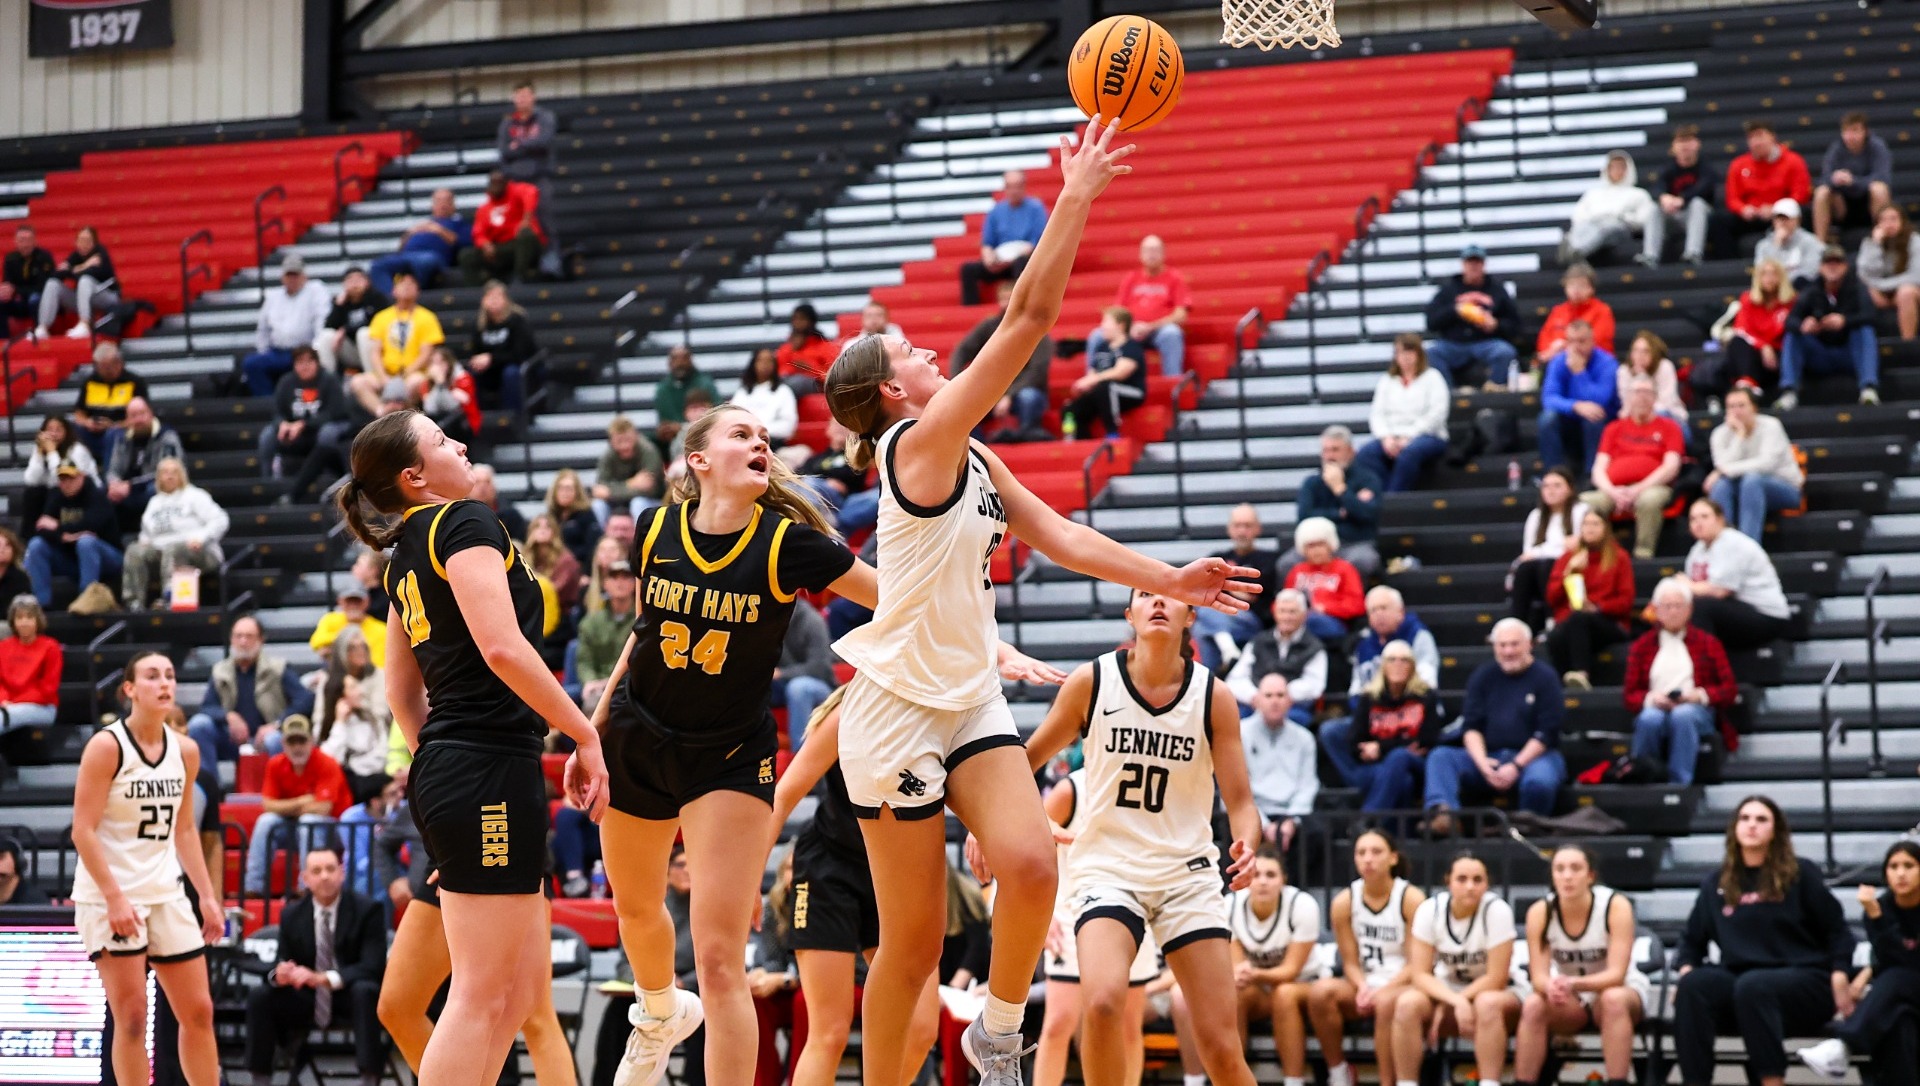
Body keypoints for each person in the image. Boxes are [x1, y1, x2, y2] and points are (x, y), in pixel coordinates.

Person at [821, 118, 1255, 1086]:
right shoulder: (919, 447)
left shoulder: (972, 453)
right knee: (915, 945)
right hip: (894, 712)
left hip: (966, 692)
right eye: (916, 352)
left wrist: (1170, 578)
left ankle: (998, 1036)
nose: (934, 350)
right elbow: (1023, 322)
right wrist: (1077, 194)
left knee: (1031, 866)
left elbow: (1065, 538)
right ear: (895, 390)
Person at [569, 404, 934, 1086]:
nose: (760, 442)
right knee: (636, 910)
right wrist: (589, 733)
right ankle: (656, 1013)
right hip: (637, 736)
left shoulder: (787, 542)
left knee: (718, 961)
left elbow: (894, 599)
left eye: (765, 437)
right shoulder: (655, 527)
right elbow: (640, 634)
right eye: (741, 434)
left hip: (729, 758)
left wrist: (981, 640)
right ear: (698, 461)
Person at [337, 407, 608, 1086]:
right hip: (485, 765)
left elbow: (402, 696)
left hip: (464, 764)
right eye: (441, 439)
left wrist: (435, 763)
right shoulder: (463, 521)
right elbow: (500, 646)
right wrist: (583, 731)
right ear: (416, 475)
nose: (460, 443)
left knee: (514, 999)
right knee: (484, 995)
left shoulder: (405, 553)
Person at [1022, 587, 1264, 1086]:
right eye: (1145, 594)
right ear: (1129, 613)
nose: (1158, 602)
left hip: (1187, 875)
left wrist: (1247, 844)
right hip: (1109, 868)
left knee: (1219, 1044)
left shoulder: (1213, 696)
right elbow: (1023, 764)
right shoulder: (1093, 681)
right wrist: (1024, 818)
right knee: (1105, 1003)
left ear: (1190, 616)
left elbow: (1241, 802)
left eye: (1171, 596)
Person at [68, 651, 224, 1086]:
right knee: (133, 1017)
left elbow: (186, 829)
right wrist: (115, 898)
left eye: (170, 675)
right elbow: (82, 831)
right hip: (110, 893)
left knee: (199, 1012)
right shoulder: (106, 745)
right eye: (152, 676)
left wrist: (208, 898)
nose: (164, 683)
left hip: (166, 892)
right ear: (130, 689)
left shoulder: (186, 751)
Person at [771, 690, 942, 1086]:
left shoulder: (943, 713)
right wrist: (746, 884)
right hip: (829, 871)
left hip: (897, 871)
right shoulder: (849, 713)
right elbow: (783, 797)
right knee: (829, 1032)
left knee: (920, 1031)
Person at [1674, 796, 1855, 1086]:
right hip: (1741, 981)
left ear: (1775, 830)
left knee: (1754, 985)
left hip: (1804, 979)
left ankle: (1772, 1081)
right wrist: (1685, 969)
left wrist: (1840, 973)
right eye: (1745, 819)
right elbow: (1690, 942)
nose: (1752, 826)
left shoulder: (1800, 873)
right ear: (1734, 828)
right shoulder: (1716, 882)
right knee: (1695, 985)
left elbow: (1838, 931)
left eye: (1761, 820)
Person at [1033, 765, 1160, 1086]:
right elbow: (1033, 849)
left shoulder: (1150, 782)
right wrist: (1042, 915)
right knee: (1059, 1022)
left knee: (1129, 1024)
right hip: (1072, 912)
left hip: (1134, 907)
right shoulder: (1071, 790)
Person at [241, 847, 388, 1086]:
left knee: (365, 991)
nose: (325, 876)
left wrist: (322, 978)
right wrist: (281, 974)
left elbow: (373, 966)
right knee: (261, 997)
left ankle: (370, 1078)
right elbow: (283, 959)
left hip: (348, 995)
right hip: (307, 997)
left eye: (331, 869)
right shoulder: (292, 914)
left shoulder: (368, 910)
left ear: (342, 873)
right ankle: (260, 1079)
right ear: (305, 879)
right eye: (317, 871)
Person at [1514, 845, 1650, 1086]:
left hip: (1620, 989)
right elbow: (1538, 977)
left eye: (1576, 869)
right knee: (1534, 1003)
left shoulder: (1615, 906)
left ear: (1590, 876)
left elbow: (1617, 975)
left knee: (1613, 999)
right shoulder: (1540, 912)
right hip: (1571, 996)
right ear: (1552, 876)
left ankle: (1618, 1081)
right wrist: (1551, 987)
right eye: (1560, 869)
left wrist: (1574, 983)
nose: (1567, 876)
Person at [1306, 829, 1423, 1086]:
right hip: (1365, 981)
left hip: (1404, 983)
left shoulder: (1411, 898)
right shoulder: (1344, 902)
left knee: (1385, 1002)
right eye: (1361, 853)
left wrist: (1383, 989)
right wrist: (1362, 986)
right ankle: (1339, 1073)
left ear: (1393, 858)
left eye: (1376, 852)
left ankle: (1386, 1081)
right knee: (1320, 993)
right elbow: (1349, 961)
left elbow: (1417, 964)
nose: (1368, 859)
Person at [1395, 852, 1524, 1086]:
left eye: (1478, 880)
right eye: (1461, 879)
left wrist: (1456, 1001)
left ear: (1487, 884)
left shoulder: (1497, 911)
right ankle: (1406, 1082)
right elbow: (1420, 973)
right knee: (1407, 1003)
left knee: (1487, 1003)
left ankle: (1489, 1082)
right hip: (1449, 991)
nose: (1470, 887)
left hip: (1499, 992)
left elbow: (1497, 978)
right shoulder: (1429, 910)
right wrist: (1454, 1000)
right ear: (1448, 882)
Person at [1424, 618, 1566, 826]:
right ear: (1494, 647)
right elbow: (1471, 727)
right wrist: (1482, 764)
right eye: (1502, 645)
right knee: (1441, 757)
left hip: (1535, 757)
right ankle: (1445, 816)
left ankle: (1528, 827)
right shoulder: (1482, 677)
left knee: (1539, 782)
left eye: (1514, 644)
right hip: (1490, 755)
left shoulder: (1546, 678)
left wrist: (1516, 765)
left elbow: (1547, 732)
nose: (1508, 651)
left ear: (1529, 645)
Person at [1798, 840, 1920, 1078]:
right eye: (1893, 867)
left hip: (1906, 982)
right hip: (1903, 994)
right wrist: (1876, 917)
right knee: (1898, 1023)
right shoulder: (1879, 906)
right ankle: (1841, 1050)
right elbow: (1889, 957)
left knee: (1897, 978)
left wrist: (1866, 975)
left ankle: (1844, 1045)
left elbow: (1909, 963)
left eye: (1909, 865)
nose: (1901, 873)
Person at [1212, 846, 1321, 1086]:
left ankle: (1294, 1081)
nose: (1262, 882)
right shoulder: (1230, 905)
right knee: (1234, 992)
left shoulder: (1302, 905)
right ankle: (1232, 1078)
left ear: (1284, 880)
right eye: (1256, 875)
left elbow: (1291, 970)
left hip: (1304, 985)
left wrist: (1254, 973)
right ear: (1246, 879)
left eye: (1271, 875)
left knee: (1284, 994)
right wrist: (1243, 974)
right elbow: (1238, 965)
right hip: (1258, 988)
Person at [1623, 577, 1739, 786]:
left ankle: (1679, 784)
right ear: (1656, 610)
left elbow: (1729, 689)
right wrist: (1652, 698)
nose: (1673, 612)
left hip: (1695, 709)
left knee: (1682, 715)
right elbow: (1630, 695)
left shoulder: (1708, 643)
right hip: (1657, 707)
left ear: (1689, 610)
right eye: (1667, 606)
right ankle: (1643, 777)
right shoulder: (1641, 646)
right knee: (1649, 719)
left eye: (1679, 606)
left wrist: (1699, 695)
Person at [1320, 640, 1439, 813]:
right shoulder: (1369, 697)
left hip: (1415, 764)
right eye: (1392, 660)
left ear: (1412, 666)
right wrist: (1395, 745)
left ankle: (1368, 819)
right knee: (1403, 782)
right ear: (1383, 665)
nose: (1398, 664)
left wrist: (1381, 748)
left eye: (1404, 660)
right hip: (1377, 767)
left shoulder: (1425, 696)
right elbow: (1355, 740)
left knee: (1399, 757)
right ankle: (1394, 833)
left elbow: (1427, 740)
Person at [243, 715, 352, 895]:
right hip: (296, 828)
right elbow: (268, 805)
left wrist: (285, 807)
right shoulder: (276, 764)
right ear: (283, 744)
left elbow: (323, 808)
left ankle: (306, 888)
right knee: (266, 821)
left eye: (301, 741)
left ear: (311, 742)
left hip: (333, 832)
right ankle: (253, 888)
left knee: (309, 821)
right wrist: (303, 800)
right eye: (291, 742)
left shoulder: (327, 762)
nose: (297, 747)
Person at [185, 615, 312, 767]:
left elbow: (305, 700)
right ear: (231, 639)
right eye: (238, 636)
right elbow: (207, 707)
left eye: (249, 636)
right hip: (231, 739)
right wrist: (227, 716)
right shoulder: (220, 671)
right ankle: (209, 787)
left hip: (267, 737)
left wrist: (277, 724)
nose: (243, 642)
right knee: (199, 725)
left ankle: (278, 789)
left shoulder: (278, 669)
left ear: (261, 640)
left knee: (275, 739)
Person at [1581, 374, 1684, 558]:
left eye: (1647, 392)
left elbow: (1671, 467)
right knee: (1585, 502)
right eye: (1637, 392)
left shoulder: (1670, 427)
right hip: (1614, 490)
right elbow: (1598, 469)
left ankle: (1643, 554)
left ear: (1655, 397)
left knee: (1648, 500)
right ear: (1628, 397)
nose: (1642, 397)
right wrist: (1613, 491)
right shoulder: (1613, 428)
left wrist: (1637, 489)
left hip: (1654, 487)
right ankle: (1595, 555)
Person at [1778, 244, 1881, 409]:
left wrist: (1844, 321)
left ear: (1845, 266)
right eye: (1828, 262)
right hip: (1820, 354)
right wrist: (1804, 325)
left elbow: (1871, 316)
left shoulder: (1858, 288)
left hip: (1849, 353)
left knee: (1865, 330)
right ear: (1820, 267)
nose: (1832, 266)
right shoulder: (1811, 290)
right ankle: (1789, 391)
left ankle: (1868, 388)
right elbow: (1790, 321)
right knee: (1793, 335)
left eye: (1837, 262)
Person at [1682, 497, 1792, 651]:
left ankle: (1702, 666)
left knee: (1701, 607)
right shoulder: (1698, 549)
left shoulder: (1732, 543)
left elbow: (1719, 591)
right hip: (1737, 611)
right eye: (1693, 519)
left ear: (1720, 520)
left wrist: (1686, 586)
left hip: (1766, 615)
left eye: (1705, 517)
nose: (1698, 523)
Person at [1543, 508, 1635, 690]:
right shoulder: (1568, 558)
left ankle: (1582, 674)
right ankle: (1562, 687)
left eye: (1595, 524)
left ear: (1606, 528)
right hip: (1573, 621)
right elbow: (1552, 599)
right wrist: (1569, 571)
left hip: (1609, 622)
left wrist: (1598, 608)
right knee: (1555, 636)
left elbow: (1626, 601)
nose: (1590, 529)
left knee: (1580, 618)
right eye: (1586, 524)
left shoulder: (1619, 557)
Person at [120, 458, 227, 612]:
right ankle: (134, 603)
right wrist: (144, 541)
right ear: (159, 477)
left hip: (201, 552)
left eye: (174, 472)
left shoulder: (194, 495)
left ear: (182, 475)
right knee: (134, 550)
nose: (170, 476)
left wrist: (201, 538)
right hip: (163, 555)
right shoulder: (154, 502)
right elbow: (146, 532)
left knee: (174, 549)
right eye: (165, 472)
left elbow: (220, 520)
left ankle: (169, 598)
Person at [950, 280, 1052, 441]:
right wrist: (956, 381)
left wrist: (1009, 395)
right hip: (991, 389)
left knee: (1029, 397)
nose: (1006, 303)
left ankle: (1026, 436)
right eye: (1003, 298)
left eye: (1010, 298)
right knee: (964, 404)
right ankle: (976, 445)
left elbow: (1037, 372)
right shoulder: (989, 326)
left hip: (1023, 391)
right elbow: (961, 351)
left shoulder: (1035, 329)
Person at [1356, 334, 1449, 494]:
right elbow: (1377, 414)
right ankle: (1382, 495)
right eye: (1400, 353)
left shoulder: (1433, 377)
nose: (1405, 358)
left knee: (1410, 453)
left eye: (1409, 352)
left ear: (1419, 354)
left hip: (1427, 435)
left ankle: (1394, 498)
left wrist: (1409, 436)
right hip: (1392, 436)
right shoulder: (1387, 380)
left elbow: (1437, 414)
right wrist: (1386, 437)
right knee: (1366, 454)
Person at [1706, 386, 1803, 541]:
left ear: (1754, 408)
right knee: (1721, 486)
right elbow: (1722, 466)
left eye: (1741, 405)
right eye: (1731, 407)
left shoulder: (1771, 426)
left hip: (1784, 487)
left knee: (1752, 480)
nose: (1736, 411)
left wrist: (1725, 470)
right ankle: (1723, 545)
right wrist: (1740, 436)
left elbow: (1767, 464)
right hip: (1741, 488)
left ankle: (1748, 549)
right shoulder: (1719, 434)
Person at [1191, 504, 1279, 673]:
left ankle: (1207, 680)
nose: (1242, 531)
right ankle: (1226, 654)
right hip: (1220, 614)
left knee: (1204, 613)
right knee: (1201, 627)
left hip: (1251, 620)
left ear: (1258, 529)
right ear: (1229, 529)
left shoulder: (1270, 559)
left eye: (1247, 526)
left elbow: (1258, 591)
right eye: (1237, 525)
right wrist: (1236, 591)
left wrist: (1223, 588)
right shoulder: (1217, 557)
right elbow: (1203, 587)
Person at [25, 458, 121, 611]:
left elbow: (93, 524)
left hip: (108, 558)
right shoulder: (56, 496)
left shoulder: (96, 495)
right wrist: (64, 536)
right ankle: (40, 605)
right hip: (71, 559)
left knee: (86, 542)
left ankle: (87, 601)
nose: (66, 483)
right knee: (36, 545)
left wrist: (58, 527)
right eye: (62, 479)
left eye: (71, 478)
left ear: (82, 476)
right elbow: (41, 528)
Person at [349, 270, 446, 417]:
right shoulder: (382, 317)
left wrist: (405, 374)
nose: (407, 287)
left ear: (418, 291)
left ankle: (406, 417)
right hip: (387, 373)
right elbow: (375, 352)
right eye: (402, 284)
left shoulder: (427, 317)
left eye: (411, 284)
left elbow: (426, 353)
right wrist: (383, 377)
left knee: (417, 381)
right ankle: (382, 413)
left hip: (413, 373)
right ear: (394, 291)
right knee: (358, 382)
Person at [1286, 426, 1381, 574]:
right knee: (1287, 563)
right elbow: (1304, 517)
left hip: (1354, 544)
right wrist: (1339, 513)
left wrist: (1340, 489)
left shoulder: (1367, 480)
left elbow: (1368, 514)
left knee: (1363, 561)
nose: (1330, 456)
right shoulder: (1311, 483)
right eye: (1326, 450)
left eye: (1335, 450)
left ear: (1350, 452)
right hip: (1315, 546)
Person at [1423, 244, 1521, 388]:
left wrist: (1496, 324)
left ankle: (1494, 389)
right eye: (1470, 262)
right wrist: (1455, 311)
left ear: (1483, 264)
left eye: (1477, 262)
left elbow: (1515, 324)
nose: (1474, 266)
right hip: (1454, 344)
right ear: (1463, 264)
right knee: (1431, 353)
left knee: (1505, 352)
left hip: (1486, 343)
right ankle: (1449, 393)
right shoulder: (1448, 290)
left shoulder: (1497, 290)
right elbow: (1431, 322)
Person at [1225, 590, 1326, 726]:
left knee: (1296, 719)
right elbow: (1235, 679)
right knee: (1231, 718)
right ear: (1275, 613)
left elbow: (1315, 685)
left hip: (1293, 708)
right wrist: (1256, 697)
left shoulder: (1314, 647)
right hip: (1253, 704)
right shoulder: (1258, 641)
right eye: (1282, 611)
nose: (1286, 617)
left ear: (1304, 615)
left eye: (1292, 612)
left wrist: (1279, 697)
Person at [1706, 258, 1796, 405]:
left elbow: (1790, 330)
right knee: (1737, 342)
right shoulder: (1747, 299)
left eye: (1774, 274)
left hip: (1779, 355)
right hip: (1753, 354)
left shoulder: (1791, 301)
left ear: (1781, 277)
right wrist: (1763, 346)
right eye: (1765, 274)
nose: (1769, 278)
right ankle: (1748, 384)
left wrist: (1769, 348)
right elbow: (1741, 329)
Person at [1241, 674, 1319, 842]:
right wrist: (1262, 824)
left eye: (1280, 695)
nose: (1274, 701)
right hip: (1250, 811)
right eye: (1268, 695)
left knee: (1317, 833)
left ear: (1290, 700)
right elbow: (1236, 787)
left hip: (1291, 812)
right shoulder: (1240, 734)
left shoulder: (1304, 738)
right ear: (1257, 700)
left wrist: (1291, 821)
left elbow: (1308, 785)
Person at [1509, 468, 1588, 634]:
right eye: (1546, 486)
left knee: (1548, 565)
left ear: (1570, 489)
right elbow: (1528, 553)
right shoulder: (1536, 516)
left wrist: (1543, 551)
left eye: (1557, 485)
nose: (1550, 490)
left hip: (1569, 568)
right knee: (1525, 569)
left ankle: (1552, 620)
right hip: (1539, 569)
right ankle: (1516, 624)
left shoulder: (1581, 511)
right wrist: (1555, 547)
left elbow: (1575, 547)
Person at [1100, 235, 1191, 376]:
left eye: (1155, 250)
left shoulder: (1174, 278)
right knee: (1096, 336)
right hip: (1131, 330)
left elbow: (1181, 315)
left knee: (1172, 333)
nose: (1151, 255)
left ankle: (1173, 383)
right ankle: (1096, 384)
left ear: (1163, 253)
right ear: (1140, 254)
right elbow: (1117, 312)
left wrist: (1150, 327)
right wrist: (1130, 327)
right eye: (1148, 251)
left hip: (1159, 330)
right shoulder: (1131, 278)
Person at [316, 633, 391, 804]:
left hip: (367, 776)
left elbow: (381, 752)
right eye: (352, 647)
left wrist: (355, 766)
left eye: (363, 646)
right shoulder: (335, 721)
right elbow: (328, 760)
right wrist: (340, 723)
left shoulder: (371, 719)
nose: (361, 692)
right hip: (342, 777)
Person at [1537, 321, 1620, 475]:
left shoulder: (1607, 363)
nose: (1575, 347)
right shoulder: (1559, 361)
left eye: (1581, 341)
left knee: (1594, 417)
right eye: (1571, 341)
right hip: (1570, 420)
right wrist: (1575, 406)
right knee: (1547, 419)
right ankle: (1554, 475)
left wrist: (1579, 372)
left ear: (1592, 341)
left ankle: (1592, 476)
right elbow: (1548, 398)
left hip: (1601, 421)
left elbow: (1601, 400)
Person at [263, 346, 349, 493]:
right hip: (294, 432)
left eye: (309, 361)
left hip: (319, 429)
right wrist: (282, 424)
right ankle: (267, 481)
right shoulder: (286, 382)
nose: (305, 366)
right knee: (267, 435)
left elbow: (336, 412)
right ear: (294, 365)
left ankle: (328, 478)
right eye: (300, 362)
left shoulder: (329, 379)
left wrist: (304, 424)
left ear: (317, 363)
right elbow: (277, 412)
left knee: (327, 433)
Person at [245, 256, 334, 396]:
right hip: (278, 352)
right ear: (283, 277)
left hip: (304, 350)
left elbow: (321, 321)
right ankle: (268, 403)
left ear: (304, 276)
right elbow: (262, 329)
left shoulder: (315, 291)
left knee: (310, 363)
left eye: (296, 275)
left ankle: (316, 399)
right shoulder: (273, 297)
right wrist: (264, 350)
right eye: (289, 275)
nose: (292, 279)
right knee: (252, 364)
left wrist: (314, 351)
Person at [1724, 120, 1812, 257]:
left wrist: (1776, 209)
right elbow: (1732, 198)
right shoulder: (1738, 165)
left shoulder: (1793, 161)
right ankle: (1727, 264)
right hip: (1753, 216)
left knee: (1804, 212)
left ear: (1772, 137)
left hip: (1782, 215)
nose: (1756, 142)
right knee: (1720, 221)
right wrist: (1744, 209)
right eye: (1751, 138)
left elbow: (1800, 195)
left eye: (1760, 136)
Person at [960, 170, 1048, 305]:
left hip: (1025, 259)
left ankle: (1022, 304)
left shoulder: (1036, 208)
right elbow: (987, 243)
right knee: (968, 269)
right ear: (1005, 188)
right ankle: (971, 309)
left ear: (1024, 187)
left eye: (1017, 186)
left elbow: (1038, 242)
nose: (1014, 191)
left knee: (1021, 262)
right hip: (1000, 260)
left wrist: (1011, 260)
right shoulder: (996, 211)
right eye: (1010, 187)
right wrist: (989, 259)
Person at [1344, 586, 1441, 706]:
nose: (1379, 614)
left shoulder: (1418, 636)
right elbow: (1356, 690)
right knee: (1332, 725)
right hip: (1371, 715)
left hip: (1414, 712)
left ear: (1400, 612)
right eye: (1373, 610)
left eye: (1384, 608)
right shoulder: (1363, 643)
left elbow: (1427, 684)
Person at [1061, 306, 1146, 439]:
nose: (1102, 326)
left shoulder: (1131, 346)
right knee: (1070, 409)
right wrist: (1085, 387)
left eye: (1106, 322)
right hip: (1103, 392)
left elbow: (1121, 372)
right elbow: (1093, 373)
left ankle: (1112, 432)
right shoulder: (1102, 347)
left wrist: (1092, 380)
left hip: (1130, 391)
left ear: (1121, 325)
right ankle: (1082, 443)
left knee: (1106, 387)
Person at [1562, 150, 1655, 266]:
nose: (1617, 171)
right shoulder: (1593, 194)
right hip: (1592, 223)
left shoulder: (1639, 194)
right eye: (1613, 167)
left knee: (1606, 227)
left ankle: (1577, 250)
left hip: (1620, 226)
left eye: (1621, 167)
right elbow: (1578, 215)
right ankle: (1574, 246)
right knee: (1583, 227)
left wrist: (1623, 218)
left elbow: (1644, 218)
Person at [105, 397, 184, 532]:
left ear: (150, 414)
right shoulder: (122, 438)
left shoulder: (166, 436)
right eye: (133, 416)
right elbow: (113, 470)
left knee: (153, 489)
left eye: (142, 414)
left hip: (154, 486)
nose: (138, 420)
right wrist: (114, 484)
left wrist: (131, 486)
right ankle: (116, 545)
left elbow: (166, 473)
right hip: (126, 489)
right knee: (103, 494)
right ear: (127, 419)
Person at [369, 188, 470, 294]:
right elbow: (400, 248)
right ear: (432, 205)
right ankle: (392, 299)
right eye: (438, 201)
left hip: (432, 256)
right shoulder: (424, 223)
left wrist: (439, 230)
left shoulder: (459, 223)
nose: (442, 204)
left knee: (424, 262)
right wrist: (409, 233)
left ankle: (412, 295)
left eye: (446, 201)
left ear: (453, 204)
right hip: (407, 255)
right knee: (378, 265)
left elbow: (463, 242)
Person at [1812, 111, 1893, 241]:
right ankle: (1819, 243)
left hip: (1868, 203)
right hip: (1843, 206)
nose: (1850, 136)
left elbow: (1883, 178)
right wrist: (1834, 179)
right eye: (1846, 132)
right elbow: (1823, 178)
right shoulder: (1836, 149)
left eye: (1855, 131)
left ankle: (1882, 239)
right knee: (1821, 192)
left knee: (1879, 189)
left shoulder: (1878, 147)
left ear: (1865, 132)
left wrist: (1853, 181)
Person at [1282, 517, 1365, 641]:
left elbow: (1357, 605)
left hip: (1334, 624)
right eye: (1311, 546)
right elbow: (1283, 600)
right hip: (1296, 622)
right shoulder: (1297, 571)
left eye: (1320, 544)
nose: (1316, 550)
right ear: (1303, 549)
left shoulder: (1345, 569)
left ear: (1330, 545)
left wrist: (1325, 608)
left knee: (1311, 621)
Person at [1642, 124, 1714, 266]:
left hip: (1699, 217)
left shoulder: (1705, 167)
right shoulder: (1668, 168)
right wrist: (1664, 197)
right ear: (1673, 147)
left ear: (1697, 144)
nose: (1685, 146)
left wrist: (1682, 199)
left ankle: (1693, 253)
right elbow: (1657, 187)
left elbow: (1704, 187)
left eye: (1688, 141)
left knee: (1697, 204)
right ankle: (1650, 256)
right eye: (1681, 142)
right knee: (1654, 207)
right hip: (1674, 217)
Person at [459, 170, 545, 286]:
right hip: (500, 249)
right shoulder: (484, 209)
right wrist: (485, 244)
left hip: (523, 243)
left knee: (526, 235)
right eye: (493, 182)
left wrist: (526, 219)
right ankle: (477, 290)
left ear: (505, 183)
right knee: (466, 255)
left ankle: (520, 278)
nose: (496, 185)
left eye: (499, 182)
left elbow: (531, 192)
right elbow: (478, 233)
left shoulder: (515, 193)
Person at [467, 280, 542, 410]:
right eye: (490, 297)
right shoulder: (479, 324)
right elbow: (476, 352)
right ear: (483, 301)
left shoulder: (517, 320)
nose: (493, 301)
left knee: (510, 373)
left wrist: (491, 358)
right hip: (492, 371)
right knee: (470, 375)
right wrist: (478, 360)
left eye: (497, 296)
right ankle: (475, 420)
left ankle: (513, 417)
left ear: (506, 299)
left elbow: (520, 354)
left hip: (518, 367)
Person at [574, 559, 636, 711]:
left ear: (634, 583)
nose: (619, 582)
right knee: (591, 702)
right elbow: (584, 662)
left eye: (625, 577)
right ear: (605, 584)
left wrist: (613, 682)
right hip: (598, 686)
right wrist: (590, 681)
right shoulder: (591, 623)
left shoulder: (643, 620)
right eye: (614, 577)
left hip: (632, 686)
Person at [35, 225, 118, 339]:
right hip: (84, 298)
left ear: (94, 243)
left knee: (85, 281)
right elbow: (57, 274)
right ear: (76, 242)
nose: (84, 244)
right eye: (81, 240)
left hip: (105, 295)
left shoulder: (101, 253)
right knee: (52, 284)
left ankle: (84, 324)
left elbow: (90, 273)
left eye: (88, 240)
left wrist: (72, 269)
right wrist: (84, 265)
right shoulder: (76, 256)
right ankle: (42, 327)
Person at [71, 341, 148, 462]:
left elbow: (143, 418)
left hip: (122, 432)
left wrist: (113, 426)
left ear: (119, 363)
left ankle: (110, 475)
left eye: (108, 368)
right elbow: (79, 413)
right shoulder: (90, 382)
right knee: (72, 429)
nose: (105, 372)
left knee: (112, 435)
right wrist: (88, 422)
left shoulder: (135, 382)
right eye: (100, 368)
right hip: (93, 432)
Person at [774, 602, 836, 749]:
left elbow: (820, 668)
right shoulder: (767, 620)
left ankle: (802, 758)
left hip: (820, 686)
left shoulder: (812, 620)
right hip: (781, 685)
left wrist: (781, 673)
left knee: (799, 688)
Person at [20, 414, 98, 529]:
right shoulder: (42, 448)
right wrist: (39, 455)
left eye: (58, 430)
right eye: (49, 430)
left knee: (55, 492)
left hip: (83, 494)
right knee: (32, 493)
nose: (53, 434)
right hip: (55, 493)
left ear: (67, 432)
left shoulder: (77, 450)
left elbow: (63, 481)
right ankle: (29, 538)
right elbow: (30, 480)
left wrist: (52, 452)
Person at [1858, 204, 1920, 341]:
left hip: (1912, 291)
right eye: (1883, 220)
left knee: (1906, 292)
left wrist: (1879, 286)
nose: (1888, 224)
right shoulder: (1870, 243)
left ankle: (1908, 344)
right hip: (1882, 294)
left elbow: (1916, 276)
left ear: (1903, 222)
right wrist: (1876, 244)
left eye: (1893, 219)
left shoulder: (1915, 241)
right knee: (1863, 292)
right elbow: (1864, 274)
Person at [0, 595, 60, 731]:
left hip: (42, 707)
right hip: (5, 705)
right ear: (13, 621)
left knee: (4, 717)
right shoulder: (3, 647)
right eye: (19, 618)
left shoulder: (50, 647)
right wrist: (3, 700)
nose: (24, 622)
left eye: (29, 617)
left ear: (37, 620)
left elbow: (48, 690)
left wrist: (13, 704)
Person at [1536, 264, 1617, 363]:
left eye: (1581, 285)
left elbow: (1597, 342)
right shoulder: (1558, 311)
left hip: (1593, 364)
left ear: (1591, 289)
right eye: (1571, 285)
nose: (1576, 290)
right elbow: (1544, 339)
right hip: (1557, 362)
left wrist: (1563, 347)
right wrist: (1550, 351)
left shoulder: (1602, 311)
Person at [316, 267, 388, 375]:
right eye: (350, 280)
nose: (355, 284)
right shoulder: (341, 303)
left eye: (359, 280)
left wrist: (345, 329)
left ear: (367, 282)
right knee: (326, 336)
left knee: (364, 333)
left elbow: (381, 324)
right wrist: (338, 306)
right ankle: (328, 380)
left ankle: (373, 378)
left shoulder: (377, 298)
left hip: (377, 350)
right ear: (344, 284)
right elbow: (328, 326)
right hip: (352, 351)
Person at [593, 416, 666, 524]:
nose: (624, 445)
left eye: (627, 439)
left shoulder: (648, 451)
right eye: (619, 441)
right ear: (611, 441)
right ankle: (603, 540)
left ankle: (642, 539)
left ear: (636, 436)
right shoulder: (607, 456)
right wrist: (631, 483)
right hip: (617, 503)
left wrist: (612, 490)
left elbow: (649, 488)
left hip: (652, 500)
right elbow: (599, 490)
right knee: (598, 505)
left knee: (638, 503)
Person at [655, 346, 720, 451]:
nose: (680, 363)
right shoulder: (663, 389)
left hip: (705, 433)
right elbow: (664, 420)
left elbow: (717, 413)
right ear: (669, 363)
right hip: (674, 441)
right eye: (675, 359)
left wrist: (682, 427)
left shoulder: (705, 384)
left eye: (684, 358)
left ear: (691, 361)